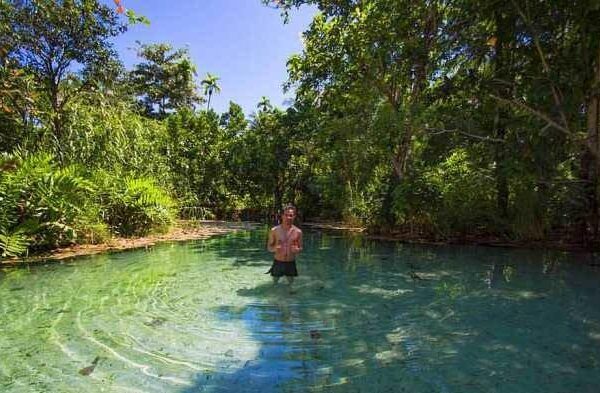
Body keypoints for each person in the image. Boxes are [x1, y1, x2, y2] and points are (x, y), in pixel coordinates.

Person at [266, 204, 303, 285]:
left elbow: (300, 247)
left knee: (291, 286)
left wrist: (297, 250)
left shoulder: (298, 232)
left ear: (294, 216)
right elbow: (269, 247)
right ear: (282, 216)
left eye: (291, 215)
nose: (288, 217)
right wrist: (275, 248)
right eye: (286, 215)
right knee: (274, 284)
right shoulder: (274, 230)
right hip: (278, 262)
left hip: (291, 262)